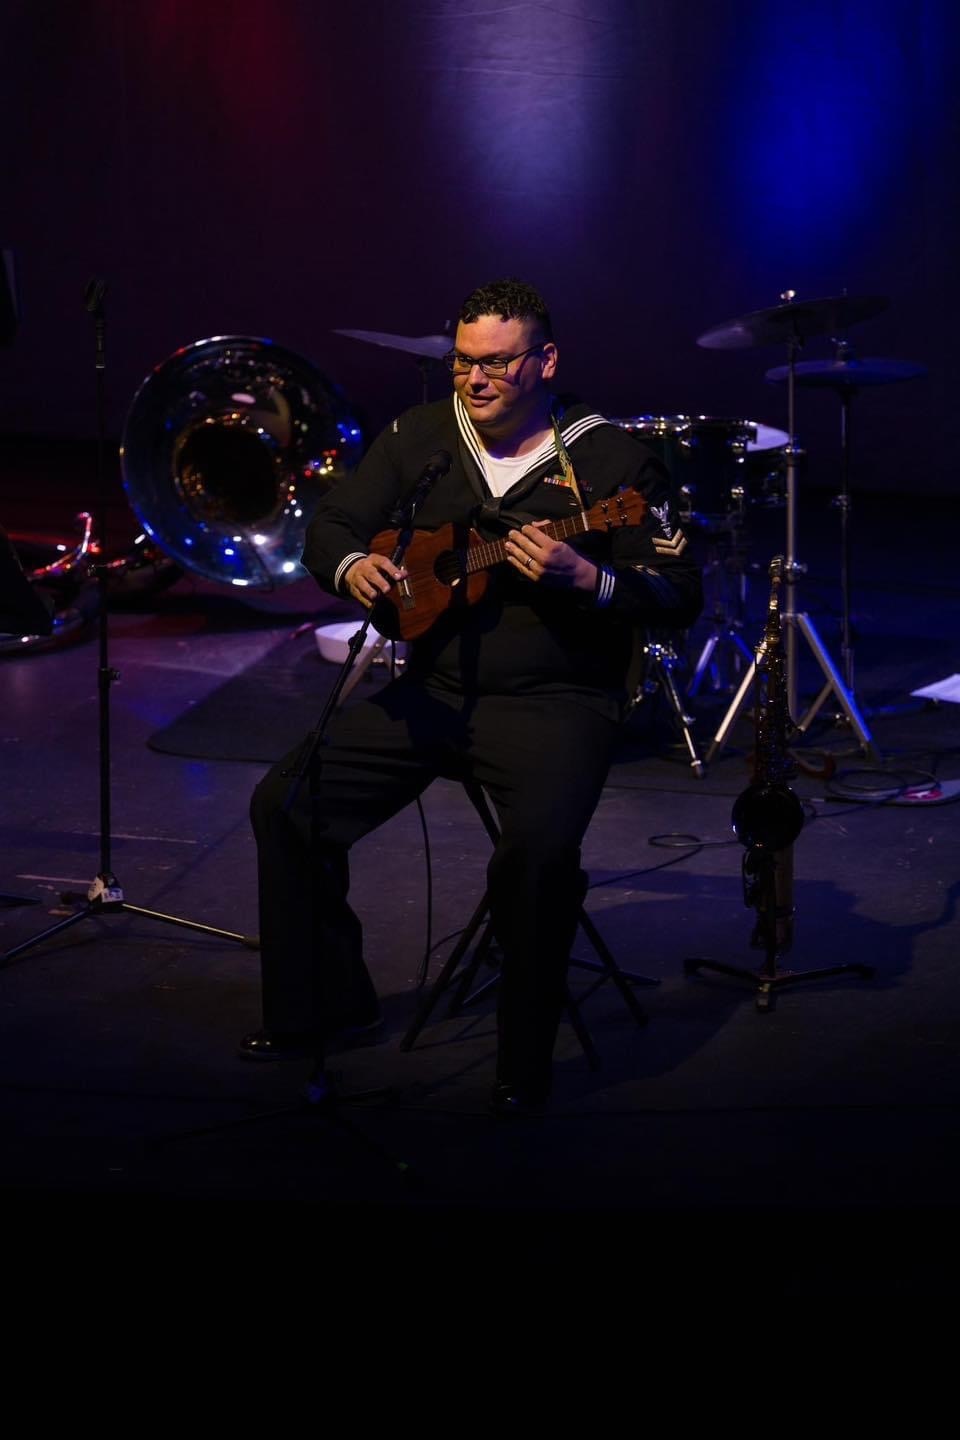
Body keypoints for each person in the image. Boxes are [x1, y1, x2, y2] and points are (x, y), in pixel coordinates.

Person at [241, 278, 702, 1112]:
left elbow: (679, 589)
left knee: (533, 858)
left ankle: (521, 1063)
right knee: (288, 803)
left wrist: (592, 580)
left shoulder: (610, 461)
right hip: (435, 687)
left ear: (546, 361)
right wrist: (354, 567)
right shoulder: (421, 438)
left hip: (557, 700)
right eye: (462, 363)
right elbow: (330, 527)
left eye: (496, 363)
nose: (475, 380)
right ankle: (324, 1011)